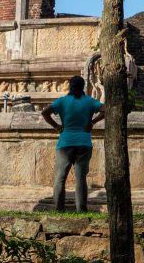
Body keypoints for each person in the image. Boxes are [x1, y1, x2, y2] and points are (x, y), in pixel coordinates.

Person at [41, 75, 105, 212]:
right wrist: (93, 122)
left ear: (70, 86)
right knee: (81, 178)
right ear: (83, 87)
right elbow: (105, 109)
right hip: (84, 142)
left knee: (60, 178)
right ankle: (81, 209)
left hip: (65, 142)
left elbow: (45, 112)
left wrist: (57, 126)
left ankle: (59, 209)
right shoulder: (89, 101)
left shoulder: (62, 101)